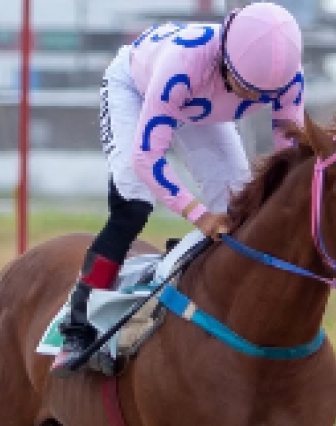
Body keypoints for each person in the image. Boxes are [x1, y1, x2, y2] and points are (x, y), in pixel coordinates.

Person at [51, 2, 306, 376]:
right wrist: (198, 216)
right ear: (225, 60)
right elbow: (146, 158)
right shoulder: (183, 64)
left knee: (241, 210)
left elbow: (291, 159)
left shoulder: (288, 77)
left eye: (262, 95)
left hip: (201, 109)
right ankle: (77, 325)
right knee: (134, 204)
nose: (253, 101)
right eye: (248, 89)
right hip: (137, 91)